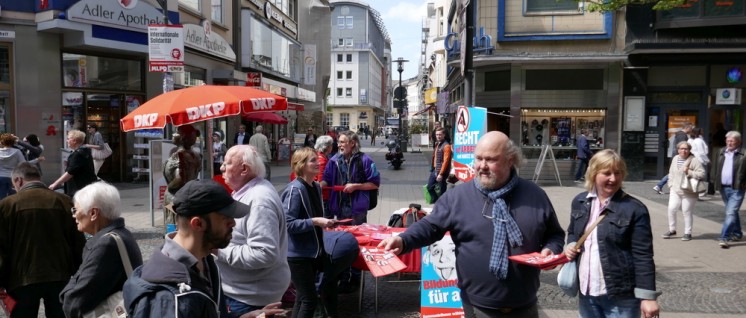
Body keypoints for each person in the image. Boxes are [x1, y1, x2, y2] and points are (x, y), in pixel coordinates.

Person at [379, 131, 565, 317]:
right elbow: (430, 226)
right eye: (478, 159)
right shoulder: (457, 197)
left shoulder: (535, 195)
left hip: (525, 305)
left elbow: (554, 234)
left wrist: (551, 249)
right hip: (476, 306)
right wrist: (403, 240)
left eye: (491, 160)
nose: (482, 166)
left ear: (511, 160)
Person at [123, 180, 284, 318]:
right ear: (198, 224)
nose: (233, 223)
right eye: (225, 218)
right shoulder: (168, 299)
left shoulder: (205, 260)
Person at [563, 149, 661, 318]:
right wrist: (571, 245)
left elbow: (643, 255)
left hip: (621, 296)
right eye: (606, 173)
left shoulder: (634, 208)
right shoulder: (580, 202)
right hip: (587, 293)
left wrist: (647, 297)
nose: (613, 179)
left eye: (618, 173)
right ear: (593, 173)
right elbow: (573, 232)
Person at [0, 163, 85, 318]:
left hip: (21, 278)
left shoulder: (7, 205)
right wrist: (80, 274)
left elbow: (1, 247)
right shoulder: (65, 201)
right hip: (60, 275)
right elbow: (78, 241)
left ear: (18, 180)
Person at [217, 145, 290, 317]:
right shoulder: (247, 192)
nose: (221, 167)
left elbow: (264, 253)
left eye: (227, 163)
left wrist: (217, 249)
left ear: (244, 169)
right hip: (246, 292)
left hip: (248, 297)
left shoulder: (258, 199)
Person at [60, 181, 143, 317]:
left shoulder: (106, 245)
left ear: (93, 213)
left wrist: (68, 290)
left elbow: (74, 302)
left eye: (75, 210)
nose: (74, 215)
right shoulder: (122, 233)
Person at [281, 147, 336, 318]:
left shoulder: (316, 187)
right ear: (301, 165)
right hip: (298, 255)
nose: (318, 162)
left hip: (313, 253)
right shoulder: (295, 190)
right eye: (312, 160)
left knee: (302, 299)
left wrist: (325, 223)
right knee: (309, 300)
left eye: (316, 159)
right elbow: (288, 224)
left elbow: (314, 217)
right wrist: (315, 222)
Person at [322, 130, 381, 225]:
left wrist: (355, 186)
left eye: (342, 142)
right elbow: (326, 179)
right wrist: (319, 185)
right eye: (338, 142)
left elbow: (374, 184)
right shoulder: (333, 161)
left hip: (358, 211)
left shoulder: (365, 160)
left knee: (357, 237)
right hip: (339, 208)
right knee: (342, 237)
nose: (338, 145)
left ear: (352, 143)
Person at [661, 141, 705, 241]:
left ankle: (687, 233)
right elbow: (671, 172)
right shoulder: (675, 158)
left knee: (686, 211)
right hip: (675, 189)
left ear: (689, 150)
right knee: (671, 209)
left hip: (689, 191)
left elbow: (701, 174)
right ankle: (672, 230)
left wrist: (688, 171)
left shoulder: (694, 160)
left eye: (686, 149)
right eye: (681, 148)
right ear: (678, 150)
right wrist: (670, 184)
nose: (683, 151)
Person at [710, 131, 746, 249]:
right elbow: (715, 168)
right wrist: (713, 181)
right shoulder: (720, 152)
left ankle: (724, 237)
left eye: (732, 141)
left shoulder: (744, 154)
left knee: (730, 212)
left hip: (738, 188)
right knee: (732, 212)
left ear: (738, 142)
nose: (729, 143)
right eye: (728, 140)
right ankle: (737, 233)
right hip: (723, 188)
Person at [162, 124, 201, 226]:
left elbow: (179, 179)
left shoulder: (179, 156)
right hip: (189, 196)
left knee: (174, 225)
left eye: (176, 132)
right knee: (186, 225)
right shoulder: (196, 155)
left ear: (182, 137)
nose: (173, 135)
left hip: (175, 198)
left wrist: (169, 188)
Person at [319, 231, 358, 318]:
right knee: (329, 282)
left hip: (338, 249)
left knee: (308, 295)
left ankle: (326, 313)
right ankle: (331, 314)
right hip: (349, 244)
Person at [49, 130, 96, 197]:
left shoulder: (78, 155)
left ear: (74, 141)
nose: (67, 141)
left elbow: (70, 172)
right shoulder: (85, 151)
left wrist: (55, 184)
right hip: (85, 187)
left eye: (68, 139)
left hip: (79, 189)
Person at [654, 123, 693, 194]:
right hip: (679, 157)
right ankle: (659, 185)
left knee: (675, 172)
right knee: (674, 172)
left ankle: (660, 186)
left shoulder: (679, 134)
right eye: (691, 128)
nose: (691, 129)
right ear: (687, 128)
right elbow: (682, 147)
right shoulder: (682, 136)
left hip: (677, 155)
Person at [427, 128, 452, 203]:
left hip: (442, 171)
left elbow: (446, 161)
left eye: (440, 134)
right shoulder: (437, 144)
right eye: (437, 134)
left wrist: (441, 174)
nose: (438, 136)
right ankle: (437, 202)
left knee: (442, 191)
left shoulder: (446, 146)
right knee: (429, 187)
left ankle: (442, 205)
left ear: (444, 135)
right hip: (435, 169)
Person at [0, 133, 26, 198]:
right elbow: (23, 164)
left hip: (0, 176)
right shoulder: (17, 152)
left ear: (2, 142)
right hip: (13, 177)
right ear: (13, 142)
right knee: (13, 197)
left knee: (1, 197)